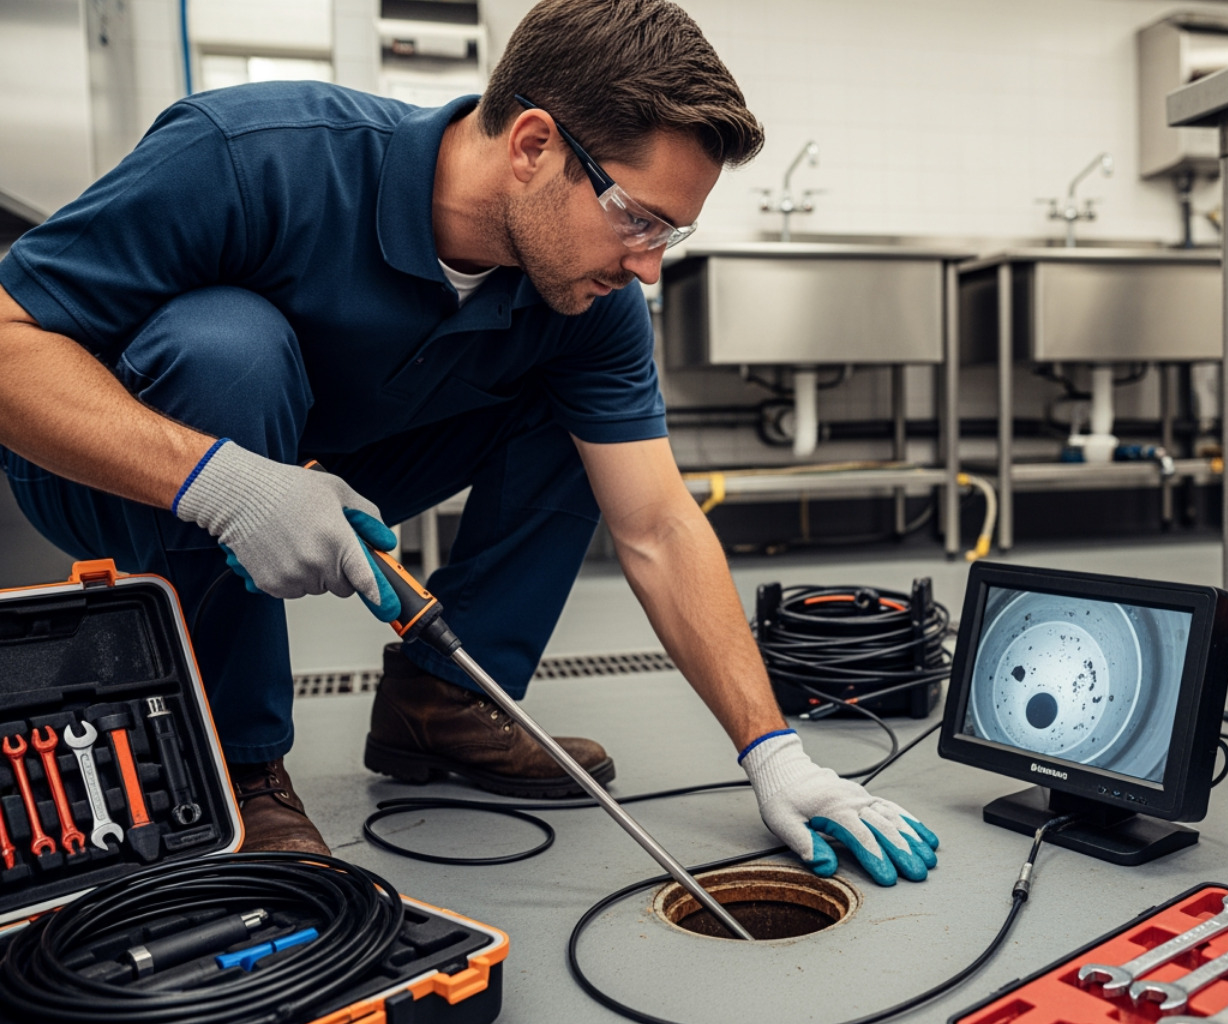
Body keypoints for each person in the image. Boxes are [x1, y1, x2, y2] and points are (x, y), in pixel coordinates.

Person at [0, 0, 938, 886]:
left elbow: (654, 521)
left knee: (579, 414)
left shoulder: (590, 298)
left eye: (673, 232)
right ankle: (238, 764)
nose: (649, 266)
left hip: (330, 465)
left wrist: (773, 753)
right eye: (639, 218)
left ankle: (442, 703)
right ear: (534, 146)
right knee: (228, 345)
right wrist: (226, 484)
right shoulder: (253, 155)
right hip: (116, 469)